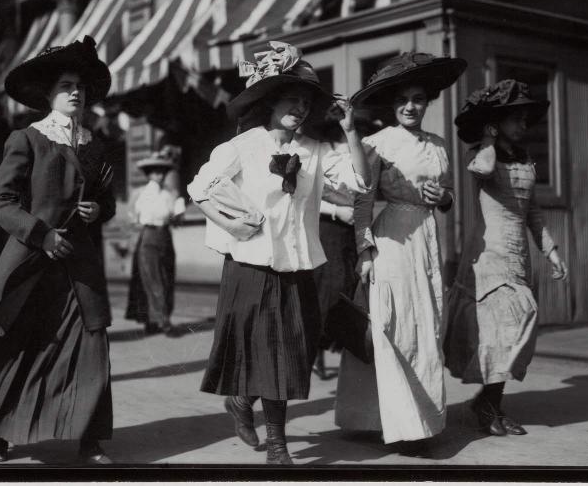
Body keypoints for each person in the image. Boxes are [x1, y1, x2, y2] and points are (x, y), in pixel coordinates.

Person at [187, 41, 371, 465]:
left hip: (296, 268)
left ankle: (242, 402)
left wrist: (350, 131)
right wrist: (234, 222)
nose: (300, 108)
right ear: (270, 100)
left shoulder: (316, 150)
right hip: (249, 268)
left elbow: (359, 184)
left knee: (287, 353)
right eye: (291, 98)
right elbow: (200, 188)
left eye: (306, 102)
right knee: (264, 351)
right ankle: (278, 446)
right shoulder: (243, 146)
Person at [0, 36, 117, 464]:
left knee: (89, 346)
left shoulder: (94, 144)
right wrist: (42, 235)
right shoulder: (27, 139)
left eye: (82, 87)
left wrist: (97, 212)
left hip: (79, 267)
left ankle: (90, 437)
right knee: (12, 345)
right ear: (49, 95)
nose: (76, 92)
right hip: (31, 262)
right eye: (67, 85)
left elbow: (107, 199)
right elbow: (2, 202)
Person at [334, 52, 467, 455]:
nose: (411, 107)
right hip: (391, 238)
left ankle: (419, 420)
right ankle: (390, 421)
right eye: (404, 100)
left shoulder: (439, 146)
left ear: (428, 103)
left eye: (420, 99)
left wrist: (443, 197)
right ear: (393, 104)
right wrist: (365, 250)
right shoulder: (378, 143)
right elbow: (361, 201)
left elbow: (447, 197)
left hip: (426, 238)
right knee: (392, 325)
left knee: (425, 324)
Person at [444, 79, 568, 437]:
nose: (523, 124)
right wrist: (488, 139)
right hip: (489, 254)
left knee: (514, 331)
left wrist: (552, 251)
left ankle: (488, 402)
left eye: (525, 118)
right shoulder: (481, 154)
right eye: (515, 118)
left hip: (519, 255)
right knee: (503, 330)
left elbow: (534, 213)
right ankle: (489, 405)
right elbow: (482, 171)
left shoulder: (526, 158)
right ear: (496, 123)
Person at [308, 103, 360, 380]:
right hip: (325, 226)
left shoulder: (355, 149)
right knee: (326, 287)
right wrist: (335, 210)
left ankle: (335, 347)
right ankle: (315, 349)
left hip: (350, 229)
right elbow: (307, 195)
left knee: (348, 285)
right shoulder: (320, 152)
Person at [125, 150, 185, 335]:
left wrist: (178, 215)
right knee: (152, 279)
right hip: (148, 236)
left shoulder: (171, 194)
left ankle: (155, 319)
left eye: (162, 171)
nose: (159, 175)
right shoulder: (139, 193)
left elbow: (176, 222)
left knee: (166, 277)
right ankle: (162, 322)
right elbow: (132, 218)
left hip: (165, 236)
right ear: (148, 173)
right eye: (155, 171)